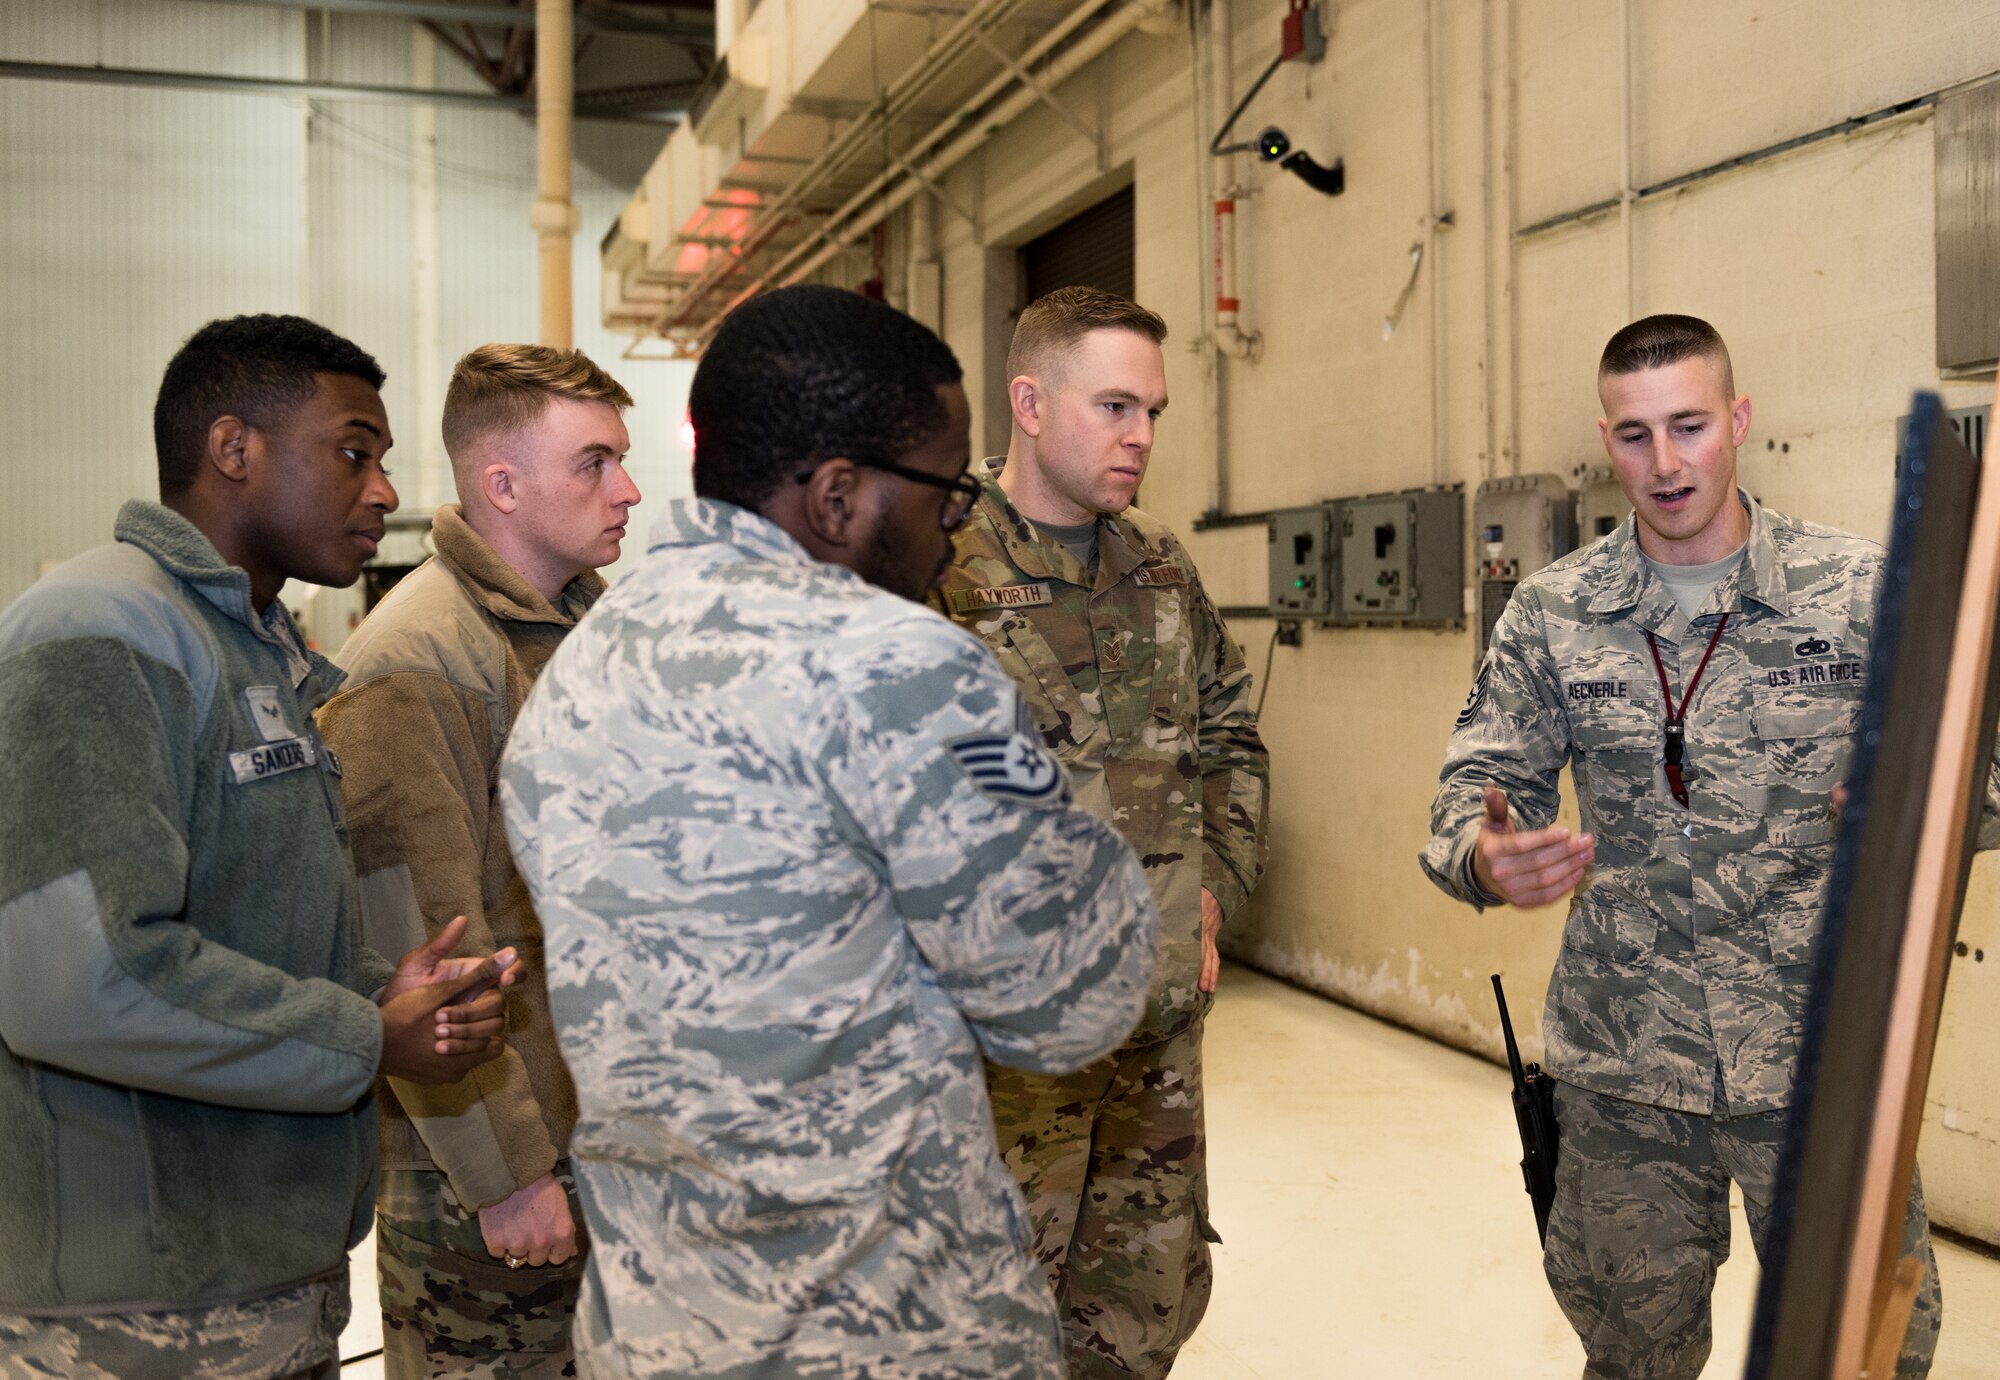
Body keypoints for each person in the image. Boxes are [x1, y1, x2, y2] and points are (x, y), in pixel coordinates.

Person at [499, 283, 1161, 1379]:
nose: (954, 540)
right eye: (944, 500)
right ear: (840, 496)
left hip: (660, 1328)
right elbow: (1073, 1002)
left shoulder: (581, 666)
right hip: (882, 1331)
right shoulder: (894, 664)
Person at [1421, 313, 2000, 1379]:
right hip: (1621, 1070)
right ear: (1607, 440)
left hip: (1819, 1067)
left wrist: (1921, 806)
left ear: (1735, 420)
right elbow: (1473, 788)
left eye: (1687, 425)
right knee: (1632, 1355)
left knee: (1867, 1355)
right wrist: (1482, 856)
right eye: (1634, 435)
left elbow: (1986, 768)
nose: (1665, 461)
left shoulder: (1862, 593)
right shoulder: (1552, 613)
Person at [0, 314, 518, 1379]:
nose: (383, 489)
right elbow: (76, 974)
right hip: (135, 1308)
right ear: (234, 450)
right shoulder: (99, 631)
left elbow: (247, 925)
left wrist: (392, 988)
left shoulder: (250, 649)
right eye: (352, 451)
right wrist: (368, 1033)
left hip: (258, 1273)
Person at [936, 286, 1270, 1378]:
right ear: (1028, 402)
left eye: (1153, 413)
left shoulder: (1159, 568)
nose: (1139, 437)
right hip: (1004, 1063)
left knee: (1136, 1320)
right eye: (1113, 406)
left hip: (1155, 1041)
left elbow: (1227, 730)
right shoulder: (936, 568)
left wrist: (1212, 884)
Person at [318, 343, 641, 1377]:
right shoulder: (418, 658)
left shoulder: (579, 628)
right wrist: (504, 1175)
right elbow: (420, 936)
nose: (627, 489)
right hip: (495, 1175)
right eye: (593, 462)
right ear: (502, 483)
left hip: (604, 1141)